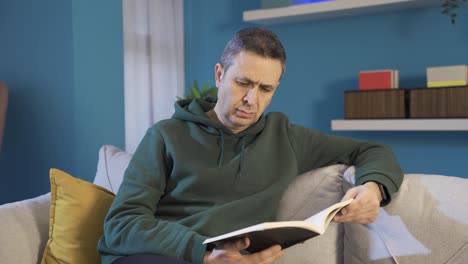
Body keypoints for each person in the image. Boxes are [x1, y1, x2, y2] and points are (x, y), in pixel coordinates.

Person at [98, 27, 403, 264]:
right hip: (156, 256)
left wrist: (373, 189)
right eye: (242, 83)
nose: (251, 99)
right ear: (220, 75)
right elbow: (122, 224)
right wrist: (201, 254)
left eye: (265, 88)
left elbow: (372, 150)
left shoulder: (285, 138)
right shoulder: (165, 135)